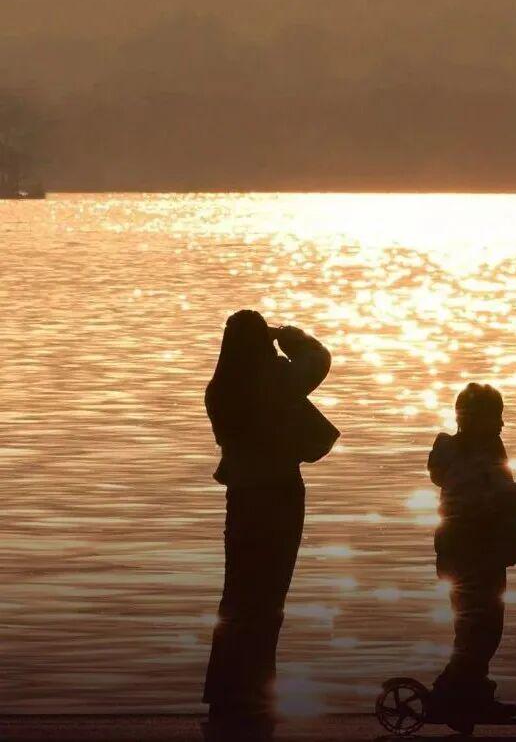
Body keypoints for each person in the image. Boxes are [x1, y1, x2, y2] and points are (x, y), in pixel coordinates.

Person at [202, 310, 335, 740]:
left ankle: (225, 696)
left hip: (241, 499)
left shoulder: (219, 390)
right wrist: (288, 335)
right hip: (278, 496)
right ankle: (255, 697)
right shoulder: (274, 380)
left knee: (237, 597)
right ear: (261, 343)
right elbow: (319, 360)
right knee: (267, 600)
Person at [427, 383, 516, 730]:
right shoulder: (463, 456)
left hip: (481, 551)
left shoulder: (484, 450)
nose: (501, 424)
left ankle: (472, 696)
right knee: (478, 630)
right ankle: (450, 696)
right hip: (469, 552)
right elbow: (472, 502)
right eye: (495, 417)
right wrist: (513, 499)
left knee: (483, 630)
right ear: (472, 420)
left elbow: (491, 489)